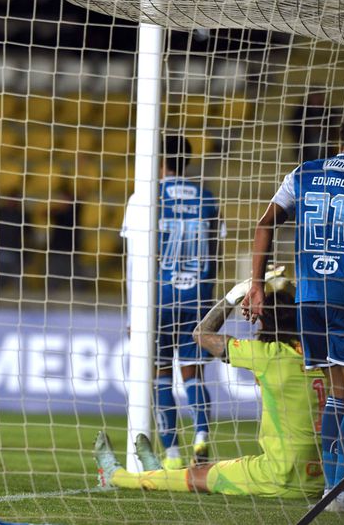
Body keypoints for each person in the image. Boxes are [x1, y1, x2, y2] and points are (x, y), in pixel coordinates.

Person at [242, 109, 344, 512]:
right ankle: (342, 494)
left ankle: (334, 492)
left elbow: (265, 223)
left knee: (337, 391)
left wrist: (256, 284)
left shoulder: (302, 172)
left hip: (309, 297)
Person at [95, 270, 325, 500]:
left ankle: (115, 476)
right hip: (321, 480)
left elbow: (201, 333)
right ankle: (156, 471)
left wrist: (236, 294)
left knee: (200, 477)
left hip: (280, 475)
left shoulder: (267, 355)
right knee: (206, 470)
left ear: (264, 318)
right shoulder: (324, 357)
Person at [121, 134, 224, 468]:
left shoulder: (145, 198)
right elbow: (216, 251)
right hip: (197, 299)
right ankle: (201, 435)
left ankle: (173, 455)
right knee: (193, 372)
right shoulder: (208, 200)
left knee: (160, 373)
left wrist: (135, 312)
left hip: (158, 300)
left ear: (157, 160)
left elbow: (136, 258)